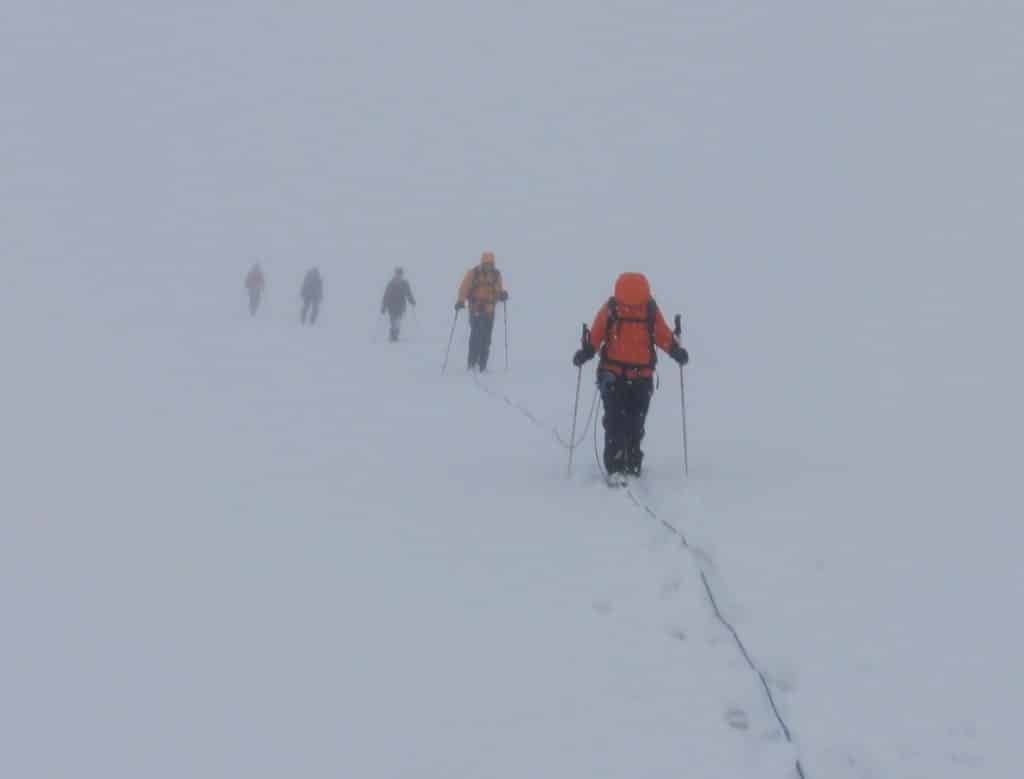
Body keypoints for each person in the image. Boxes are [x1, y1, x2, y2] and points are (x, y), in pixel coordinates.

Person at [572, 272, 688, 482]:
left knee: (615, 420)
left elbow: (596, 335)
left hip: (613, 376)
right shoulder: (649, 309)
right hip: (642, 377)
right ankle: (633, 462)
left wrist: (585, 353)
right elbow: (663, 336)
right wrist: (676, 351)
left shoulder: (612, 308)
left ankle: (616, 464)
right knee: (636, 420)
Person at [455, 251, 508, 371]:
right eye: (486, 264)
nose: (488, 266)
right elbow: (464, 287)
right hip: (475, 309)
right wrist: (461, 301)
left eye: (490, 264)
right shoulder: (473, 273)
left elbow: (498, 290)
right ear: (482, 263)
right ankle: (472, 362)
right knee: (476, 336)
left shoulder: (496, 275)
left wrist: (502, 295)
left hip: (490, 311)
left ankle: (482, 365)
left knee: (486, 339)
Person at [381, 267, 416, 342]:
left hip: (401, 306)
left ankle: (395, 334)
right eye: (397, 274)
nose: (399, 275)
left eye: (400, 274)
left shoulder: (405, 283)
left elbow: (408, 293)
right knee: (393, 321)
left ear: (402, 274)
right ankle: (393, 336)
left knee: (398, 321)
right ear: (395, 274)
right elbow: (386, 295)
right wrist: (383, 306)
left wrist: (412, 301)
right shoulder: (391, 283)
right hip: (392, 305)